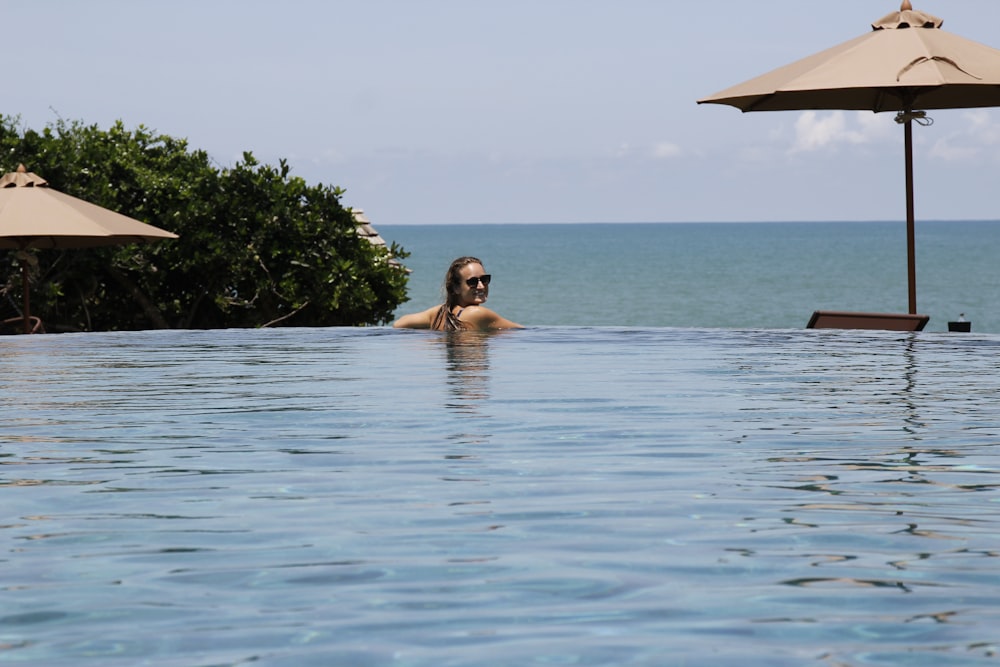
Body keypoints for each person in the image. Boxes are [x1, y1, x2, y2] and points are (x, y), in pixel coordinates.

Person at [393, 256, 523, 331]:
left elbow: (399, 323)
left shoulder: (439, 313)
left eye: (484, 279)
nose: (481, 286)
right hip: (471, 369)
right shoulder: (477, 314)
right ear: (456, 288)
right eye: (472, 282)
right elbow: (521, 332)